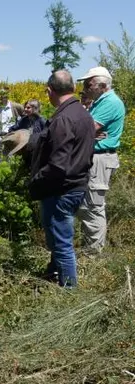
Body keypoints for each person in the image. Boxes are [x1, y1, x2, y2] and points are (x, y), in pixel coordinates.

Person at [29, 70, 95, 288]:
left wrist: (37, 179)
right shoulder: (83, 114)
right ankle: (52, 272)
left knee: (62, 242)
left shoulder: (63, 119)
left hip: (62, 189)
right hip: (77, 184)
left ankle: (69, 291)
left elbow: (58, 164)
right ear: (74, 88)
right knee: (59, 236)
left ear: (50, 91)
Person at [76, 66, 126, 256]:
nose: (86, 89)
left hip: (100, 158)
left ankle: (93, 256)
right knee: (86, 205)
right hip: (96, 157)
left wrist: (88, 131)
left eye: (89, 85)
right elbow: (86, 130)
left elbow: (84, 129)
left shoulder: (110, 102)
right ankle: (90, 248)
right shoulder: (99, 102)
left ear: (103, 85)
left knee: (93, 206)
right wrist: (88, 132)